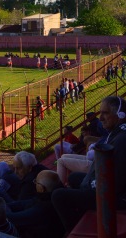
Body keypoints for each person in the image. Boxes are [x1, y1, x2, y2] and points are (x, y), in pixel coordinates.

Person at [51, 96, 126, 233]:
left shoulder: (121, 140)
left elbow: (116, 183)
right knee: (74, 178)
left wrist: (87, 186)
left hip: (114, 197)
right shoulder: (118, 133)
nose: (101, 118)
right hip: (108, 187)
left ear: (120, 115)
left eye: (105, 113)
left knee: (58, 195)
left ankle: (76, 230)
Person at [7, 170, 65, 238]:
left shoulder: (43, 209)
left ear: (41, 188)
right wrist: (6, 205)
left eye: (36, 182)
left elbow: (13, 218)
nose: (34, 183)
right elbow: (24, 203)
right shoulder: (55, 196)